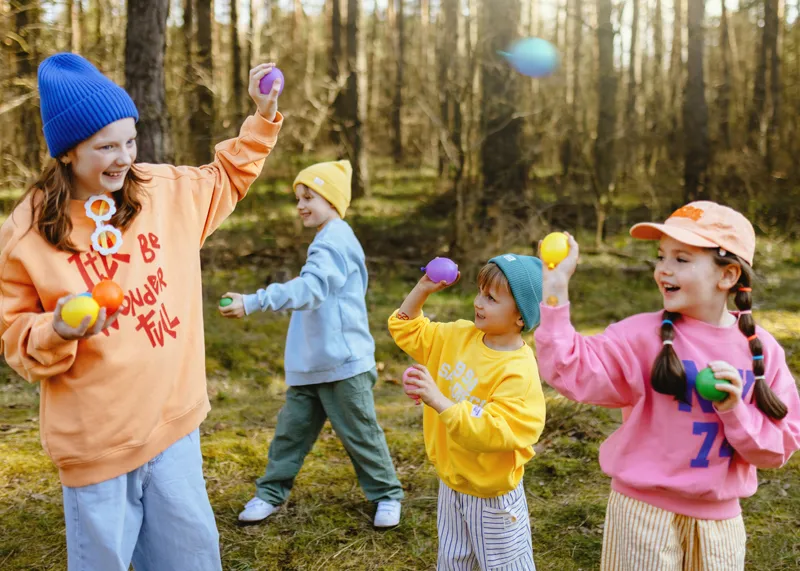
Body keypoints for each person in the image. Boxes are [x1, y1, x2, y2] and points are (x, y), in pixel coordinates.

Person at [0, 52, 283, 570]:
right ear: (68, 151)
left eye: (130, 141)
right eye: (106, 146)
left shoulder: (161, 193)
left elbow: (226, 177)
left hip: (174, 425)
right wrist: (56, 328)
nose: (123, 158)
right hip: (97, 445)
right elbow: (14, 335)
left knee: (191, 559)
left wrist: (262, 116)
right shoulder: (27, 234)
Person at [534, 202, 800, 570]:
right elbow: (569, 369)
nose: (663, 269)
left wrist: (735, 411)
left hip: (720, 524)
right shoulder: (639, 336)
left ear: (727, 275)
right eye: (661, 256)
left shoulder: (762, 351)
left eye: (681, 259)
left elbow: (778, 448)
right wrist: (555, 290)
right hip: (642, 515)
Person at [220, 160, 405, 528]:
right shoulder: (326, 238)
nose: (300, 205)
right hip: (311, 363)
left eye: (309, 197)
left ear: (332, 201)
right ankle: (270, 494)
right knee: (290, 434)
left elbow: (312, 289)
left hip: (343, 364)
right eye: (298, 198)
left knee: (361, 435)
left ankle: (387, 495)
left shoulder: (335, 240)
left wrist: (255, 301)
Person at [388, 254, 547, 570]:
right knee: (453, 560)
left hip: (492, 494)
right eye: (479, 292)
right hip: (452, 481)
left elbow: (493, 431)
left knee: (505, 566)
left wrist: (438, 400)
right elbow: (406, 328)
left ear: (520, 316)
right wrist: (422, 289)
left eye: (491, 298)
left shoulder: (519, 371)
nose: (478, 302)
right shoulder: (459, 335)